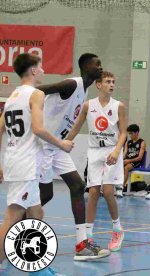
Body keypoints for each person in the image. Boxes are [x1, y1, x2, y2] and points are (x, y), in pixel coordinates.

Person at [0, 53, 74, 273]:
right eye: (41, 67)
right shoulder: (36, 94)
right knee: (13, 217)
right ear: (33, 70)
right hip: (26, 164)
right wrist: (62, 144)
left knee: (37, 213)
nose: (43, 70)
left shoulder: (12, 97)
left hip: (16, 161)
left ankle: (36, 265)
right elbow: (39, 129)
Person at [30, 53, 107, 260]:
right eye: (96, 64)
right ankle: (12, 227)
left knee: (77, 186)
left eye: (101, 64)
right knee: (45, 195)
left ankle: (82, 244)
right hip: (44, 146)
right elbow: (37, 90)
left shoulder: (85, 90)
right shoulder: (72, 84)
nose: (100, 67)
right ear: (84, 67)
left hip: (57, 147)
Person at [67, 71, 127, 253]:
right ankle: (88, 236)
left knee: (108, 191)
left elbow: (123, 132)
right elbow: (76, 126)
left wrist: (117, 151)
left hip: (111, 151)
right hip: (94, 151)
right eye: (108, 81)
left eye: (114, 81)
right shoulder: (88, 105)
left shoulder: (119, 106)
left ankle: (117, 229)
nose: (112, 84)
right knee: (93, 192)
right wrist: (63, 143)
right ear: (98, 85)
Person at [118, 124, 145, 197]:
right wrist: (120, 161)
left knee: (126, 168)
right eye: (129, 133)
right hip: (127, 161)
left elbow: (140, 157)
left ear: (136, 133)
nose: (130, 135)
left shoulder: (142, 142)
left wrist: (129, 161)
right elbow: (124, 154)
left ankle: (121, 188)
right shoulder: (128, 142)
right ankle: (115, 185)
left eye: (131, 133)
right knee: (117, 166)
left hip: (136, 162)